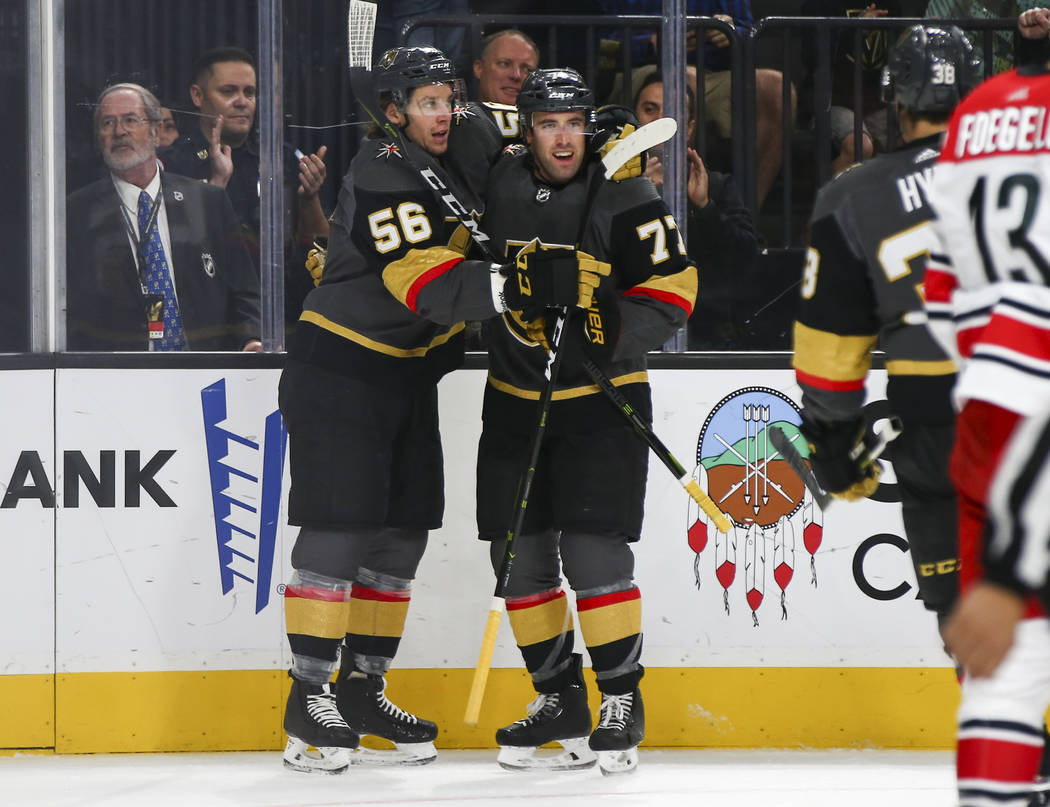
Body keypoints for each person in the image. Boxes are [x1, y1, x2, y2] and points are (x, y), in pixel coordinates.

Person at [277, 46, 601, 774]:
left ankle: (362, 688)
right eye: (426, 102)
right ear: (393, 111)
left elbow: (531, 169)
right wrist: (516, 284)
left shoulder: (458, 148)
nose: (443, 113)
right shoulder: (380, 172)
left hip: (407, 378)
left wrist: (593, 163)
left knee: (400, 538)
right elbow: (424, 284)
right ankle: (307, 698)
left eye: (448, 98)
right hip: (341, 371)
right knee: (339, 527)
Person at [466, 68, 696, 775]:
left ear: (587, 126)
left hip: (602, 399)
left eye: (573, 122)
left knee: (594, 554)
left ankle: (622, 698)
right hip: (514, 396)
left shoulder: (625, 186)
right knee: (519, 560)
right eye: (547, 124)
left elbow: (676, 288)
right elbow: (462, 124)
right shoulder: (497, 184)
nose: (562, 137)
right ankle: (559, 697)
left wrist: (606, 330)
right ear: (526, 131)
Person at [792, 26, 983, 650]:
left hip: (937, 432)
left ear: (895, 103)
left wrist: (835, 447)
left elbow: (829, 351)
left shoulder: (853, 195)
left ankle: (1001, 740)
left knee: (972, 629)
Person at [921, 10, 1050, 804]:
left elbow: (942, 284)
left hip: (988, 395)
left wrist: (987, 357)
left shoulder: (975, 110)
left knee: (1003, 662)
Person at [66, 82, 261, 351]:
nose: (120, 131)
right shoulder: (76, 213)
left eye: (130, 120)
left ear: (156, 131)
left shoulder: (207, 201)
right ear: (99, 138)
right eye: (108, 123)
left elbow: (244, 290)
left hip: (205, 372)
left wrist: (251, 339)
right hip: (113, 377)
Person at [159, 46, 328, 329]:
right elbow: (171, 254)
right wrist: (214, 188)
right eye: (228, 92)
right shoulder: (172, 165)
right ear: (197, 96)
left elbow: (321, 249)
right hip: (204, 323)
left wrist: (310, 200)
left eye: (249, 92)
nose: (242, 102)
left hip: (279, 316)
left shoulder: (283, 159)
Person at [601, 0, 794, 208]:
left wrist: (730, 32)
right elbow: (602, 42)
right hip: (643, 69)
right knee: (683, 83)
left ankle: (744, 217)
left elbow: (748, 32)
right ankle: (670, 212)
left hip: (712, 71)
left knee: (776, 88)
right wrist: (653, 42)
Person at [633, 70, 758, 348]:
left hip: (706, 334)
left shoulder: (717, 186)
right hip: (635, 331)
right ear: (634, 122)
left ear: (689, 129)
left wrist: (705, 207)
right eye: (649, 110)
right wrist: (639, 197)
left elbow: (746, 259)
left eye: (671, 113)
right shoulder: (612, 187)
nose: (658, 123)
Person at [473, 28, 539, 108]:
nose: (516, 75)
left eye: (527, 69)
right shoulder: (458, 118)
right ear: (479, 68)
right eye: (504, 64)